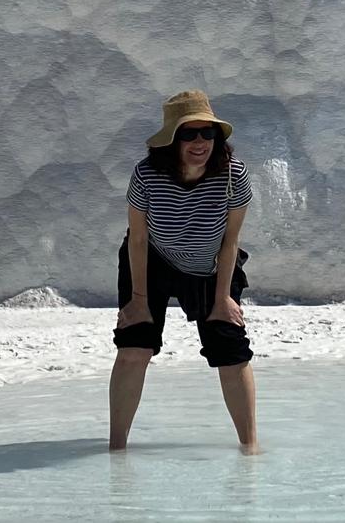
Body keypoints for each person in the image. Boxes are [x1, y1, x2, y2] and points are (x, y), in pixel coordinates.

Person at [109, 89, 257, 453]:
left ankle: (250, 449)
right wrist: (140, 300)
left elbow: (230, 239)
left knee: (230, 346)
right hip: (152, 260)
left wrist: (223, 298)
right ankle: (116, 450)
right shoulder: (146, 174)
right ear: (171, 139)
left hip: (210, 266)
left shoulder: (233, 174)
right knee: (134, 345)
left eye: (207, 133)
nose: (199, 142)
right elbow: (139, 239)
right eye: (188, 133)